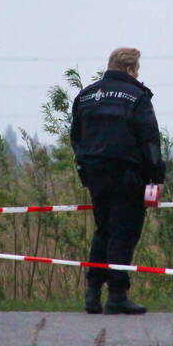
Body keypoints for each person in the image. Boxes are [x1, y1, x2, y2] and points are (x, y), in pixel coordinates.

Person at [70, 47, 165, 315]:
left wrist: (84, 165)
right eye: (137, 70)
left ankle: (92, 292)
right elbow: (149, 140)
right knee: (124, 232)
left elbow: (76, 136)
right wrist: (156, 175)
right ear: (130, 69)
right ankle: (117, 295)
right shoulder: (137, 96)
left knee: (103, 230)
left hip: (94, 172)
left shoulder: (86, 95)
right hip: (127, 173)